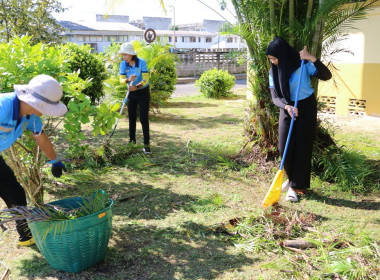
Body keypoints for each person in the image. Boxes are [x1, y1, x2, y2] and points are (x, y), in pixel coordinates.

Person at [0, 74, 68, 246]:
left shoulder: (31, 117)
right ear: (37, 103)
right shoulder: (2, 106)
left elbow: (41, 138)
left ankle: (26, 236)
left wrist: (55, 161)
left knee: (14, 192)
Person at [266, 36, 332, 202]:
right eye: (270, 59)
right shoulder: (272, 71)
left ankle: (296, 187)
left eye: (274, 58)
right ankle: (289, 179)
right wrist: (287, 107)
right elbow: (274, 96)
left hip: (306, 106)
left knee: (302, 146)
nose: (273, 62)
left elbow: (326, 75)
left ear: (283, 55)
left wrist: (311, 58)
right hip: (287, 107)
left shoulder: (302, 64)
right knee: (284, 148)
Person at [119, 42, 151, 155]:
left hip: (143, 92)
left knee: (143, 118)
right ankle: (132, 142)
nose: (124, 57)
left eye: (126, 54)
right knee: (131, 118)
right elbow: (121, 80)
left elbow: (146, 79)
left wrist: (136, 87)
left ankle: (146, 145)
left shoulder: (141, 62)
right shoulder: (123, 64)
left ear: (132, 54)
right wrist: (128, 80)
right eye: (123, 55)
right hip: (131, 93)